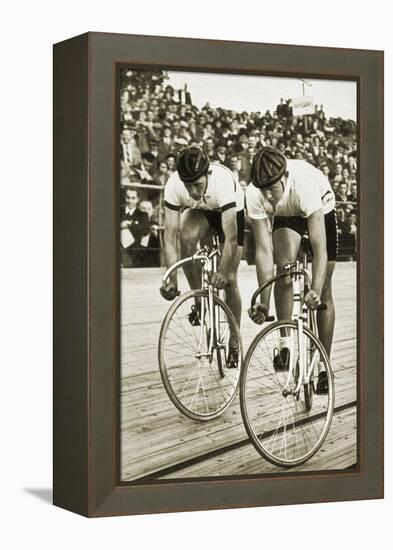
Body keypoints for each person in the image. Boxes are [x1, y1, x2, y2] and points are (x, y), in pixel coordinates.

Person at [246, 146, 337, 393]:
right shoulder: (255, 193)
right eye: (262, 190)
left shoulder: (304, 184)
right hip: (287, 215)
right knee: (283, 269)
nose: (267, 196)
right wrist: (263, 303)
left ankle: (323, 365)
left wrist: (315, 289)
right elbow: (264, 252)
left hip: (320, 206)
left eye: (272, 189)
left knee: (324, 293)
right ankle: (285, 345)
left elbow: (320, 250)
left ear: (284, 177)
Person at [160, 146, 245, 368]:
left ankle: (234, 340)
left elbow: (232, 238)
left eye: (197, 185)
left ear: (207, 175)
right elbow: (169, 237)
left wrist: (222, 271)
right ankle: (199, 301)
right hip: (202, 211)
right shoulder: (174, 185)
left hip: (229, 212)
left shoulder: (223, 182)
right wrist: (171, 278)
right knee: (184, 236)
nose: (193, 191)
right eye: (188, 186)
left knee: (230, 280)